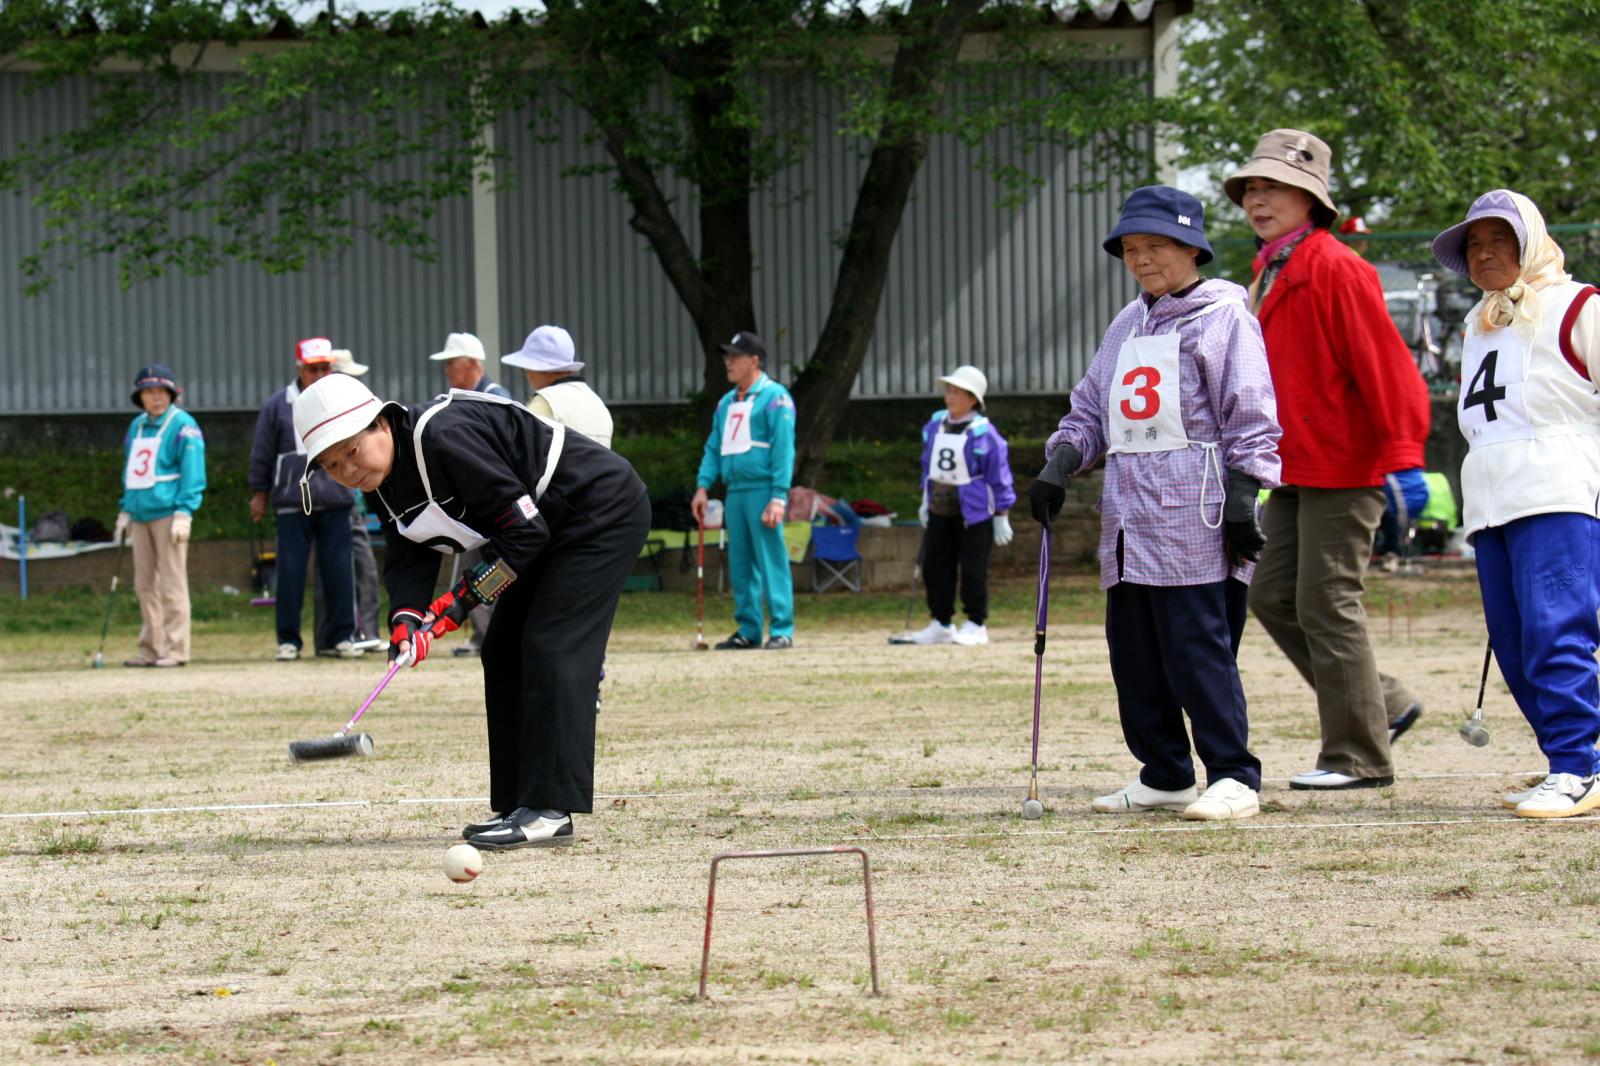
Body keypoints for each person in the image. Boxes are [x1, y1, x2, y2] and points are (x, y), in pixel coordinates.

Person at [292, 372, 650, 848]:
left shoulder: (443, 437)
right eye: (334, 467)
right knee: (501, 650)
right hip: (544, 530)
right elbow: (408, 551)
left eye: (353, 452)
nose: (350, 471)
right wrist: (406, 618)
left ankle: (549, 810)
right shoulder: (381, 481)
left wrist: (458, 603)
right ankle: (518, 801)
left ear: (381, 423)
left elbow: (524, 532)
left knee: (552, 645)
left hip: (597, 511)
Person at [1027, 186, 1281, 821]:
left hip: (1196, 509)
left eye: (1157, 246)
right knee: (1134, 653)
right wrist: (1062, 457)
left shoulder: (1223, 316)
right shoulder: (1127, 323)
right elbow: (1091, 406)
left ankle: (1232, 773)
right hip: (1128, 515)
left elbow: (1249, 408)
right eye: (1132, 249)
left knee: (1198, 647)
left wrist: (1250, 486)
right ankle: (1164, 770)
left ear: (1193, 248)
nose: (1142, 259)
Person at [1225, 129, 1431, 789]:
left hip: (1347, 464)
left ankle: (1358, 756)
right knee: (1270, 594)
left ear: (1309, 198)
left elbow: (1386, 365)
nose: (1258, 200)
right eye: (1251, 188)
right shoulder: (1270, 267)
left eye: (1273, 188)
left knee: (1326, 600)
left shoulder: (1335, 265)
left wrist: (1403, 457)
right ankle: (1385, 703)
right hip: (1293, 467)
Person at [1432, 189, 1600, 818]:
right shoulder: (1482, 323)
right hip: (1490, 499)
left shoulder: (1580, 306)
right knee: (1514, 639)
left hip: (1558, 488)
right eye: (1473, 244)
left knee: (1558, 631)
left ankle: (1575, 766)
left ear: (1531, 242)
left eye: (1499, 239)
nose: (1484, 253)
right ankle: (1575, 757)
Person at [248, 337, 361, 661]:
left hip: (336, 496)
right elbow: (263, 451)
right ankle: (289, 640)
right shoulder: (277, 404)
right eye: (313, 369)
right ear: (300, 369)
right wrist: (260, 493)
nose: (320, 374)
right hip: (291, 500)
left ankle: (342, 636)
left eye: (325, 367)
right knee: (290, 573)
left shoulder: (340, 399)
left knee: (340, 571)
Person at [690, 331, 797, 650]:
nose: (729, 362)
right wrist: (702, 486)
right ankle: (748, 627)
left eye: (735, 357)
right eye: (727, 357)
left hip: (764, 489)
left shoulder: (776, 398)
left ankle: (782, 627)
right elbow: (713, 447)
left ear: (754, 360)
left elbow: (783, 449)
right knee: (740, 561)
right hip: (736, 491)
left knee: (770, 557)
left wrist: (779, 495)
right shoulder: (726, 403)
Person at [906, 365, 1015, 646]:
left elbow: (999, 474)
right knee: (935, 565)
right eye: (948, 391)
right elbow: (927, 464)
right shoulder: (935, 425)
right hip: (940, 508)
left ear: (972, 398)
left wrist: (1002, 512)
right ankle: (940, 622)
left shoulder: (985, 433)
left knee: (972, 568)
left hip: (974, 511)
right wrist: (925, 499)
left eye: (956, 392)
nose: (949, 397)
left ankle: (976, 623)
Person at [114, 364, 206, 668]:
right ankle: (150, 647)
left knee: (172, 582)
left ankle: (177, 648)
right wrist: (125, 508)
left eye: (161, 392)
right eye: (149, 392)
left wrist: (185, 512)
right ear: (140, 397)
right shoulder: (136, 426)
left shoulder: (184, 425)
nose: (155, 398)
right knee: (144, 584)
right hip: (140, 512)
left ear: (171, 395)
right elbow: (132, 470)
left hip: (168, 513)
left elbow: (193, 471)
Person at [428, 332, 510, 654]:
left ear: (473, 363)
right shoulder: (463, 398)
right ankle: (483, 634)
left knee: (491, 569)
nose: (447, 369)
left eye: (452, 362)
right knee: (475, 569)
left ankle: (490, 636)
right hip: (474, 506)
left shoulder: (493, 397)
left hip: (494, 505)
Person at [311, 348, 384, 653]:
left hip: (353, 502)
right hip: (340, 504)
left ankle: (364, 630)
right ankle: (341, 634)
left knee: (358, 567)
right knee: (341, 569)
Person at [505, 325, 615, 449]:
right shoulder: (597, 403)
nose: (526, 375)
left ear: (537, 368)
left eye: (524, 369)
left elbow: (522, 451)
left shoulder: (545, 401)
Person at [430, 331, 512, 399]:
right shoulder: (457, 399)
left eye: (451, 362)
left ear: (471, 362)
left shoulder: (495, 398)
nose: (446, 370)